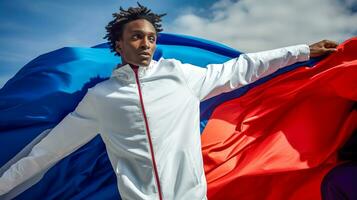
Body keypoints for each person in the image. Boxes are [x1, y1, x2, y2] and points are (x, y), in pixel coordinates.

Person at [0, 3, 338, 200]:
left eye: (151, 37)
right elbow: (48, 153)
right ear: (118, 44)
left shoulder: (182, 77)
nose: (146, 44)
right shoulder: (101, 99)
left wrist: (302, 51)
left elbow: (243, 68)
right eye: (136, 36)